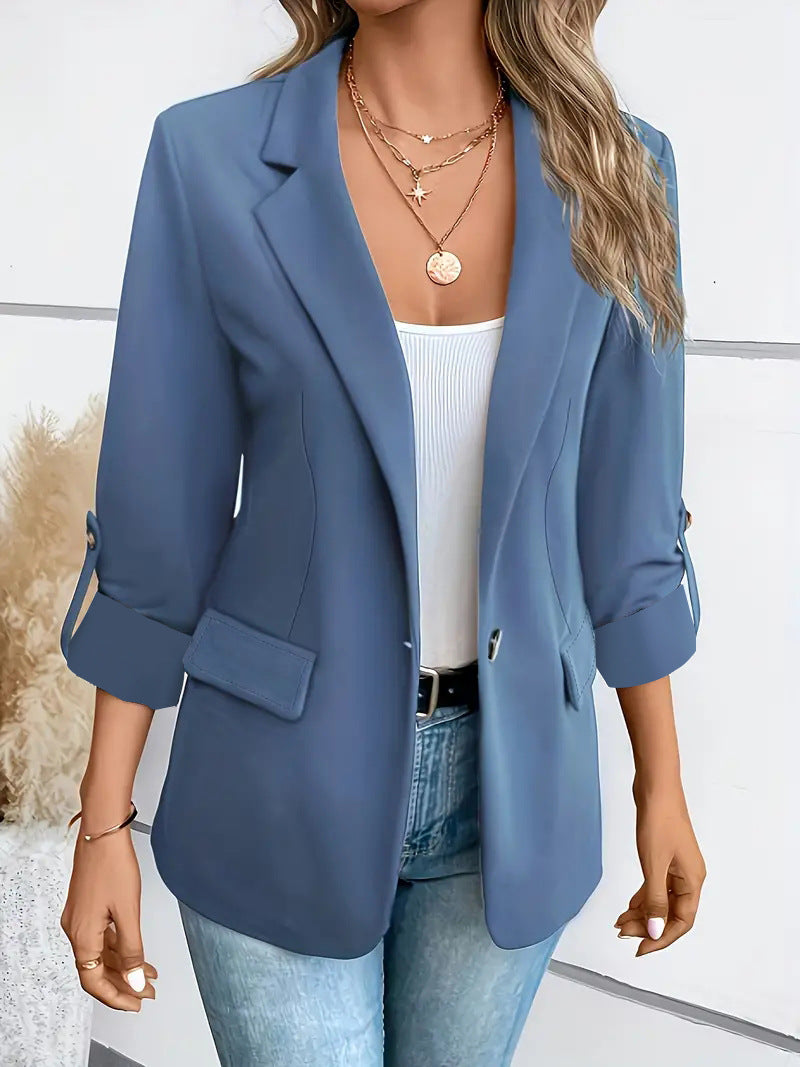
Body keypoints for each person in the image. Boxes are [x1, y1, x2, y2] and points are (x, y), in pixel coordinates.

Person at [58, 2, 706, 1064]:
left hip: (515, 790)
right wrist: (102, 822)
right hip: (273, 784)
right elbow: (156, 532)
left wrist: (659, 781)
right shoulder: (207, 158)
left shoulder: (619, 168)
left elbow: (626, 520)